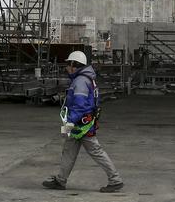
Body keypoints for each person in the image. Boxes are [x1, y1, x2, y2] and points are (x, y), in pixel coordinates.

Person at [42, 51, 123, 193]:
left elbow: (80, 105)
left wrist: (69, 123)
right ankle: (61, 180)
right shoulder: (87, 79)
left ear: (74, 65)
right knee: (69, 150)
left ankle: (115, 180)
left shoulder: (80, 81)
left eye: (68, 64)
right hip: (83, 123)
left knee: (95, 151)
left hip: (80, 125)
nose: (66, 67)